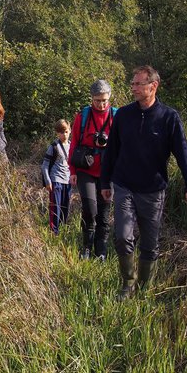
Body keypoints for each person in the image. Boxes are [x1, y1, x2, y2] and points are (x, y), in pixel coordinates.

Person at [101, 66, 187, 299]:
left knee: (149, 242)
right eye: (132, 83)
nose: (133, 88)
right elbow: (111, 151)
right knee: (123, 236)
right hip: (124, 185)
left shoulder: (169, 118)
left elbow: (183, 153)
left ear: (152, 86)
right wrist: (105, 182)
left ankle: (144, 289)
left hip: (153, 190)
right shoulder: (123, 115)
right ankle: (128, 283)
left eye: (138, 84)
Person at [68, 80, 116, 261]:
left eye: (104, 100)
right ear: (91, 99)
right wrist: (72, 170)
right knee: (90, 209)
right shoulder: (83, 117)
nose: (101, 104)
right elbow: (73, 145)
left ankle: (101, 251)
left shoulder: (116, 116)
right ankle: (86, 248)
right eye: (97, 100)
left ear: (109, 97)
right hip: (85, 169)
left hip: (107, 171)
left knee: (104, 213)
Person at [42, 119, 72, 235]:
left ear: (70, 131)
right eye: (61, 132)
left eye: (66, 131)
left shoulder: (71, 146)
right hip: (56, 180)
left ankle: (62, 230)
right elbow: (44, 165)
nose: (64, 134)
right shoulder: (53, 147)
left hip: (68, 181)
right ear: (57, 133)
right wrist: (48, 181)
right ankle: (54, 232)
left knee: (65, 207)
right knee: (55, 208)